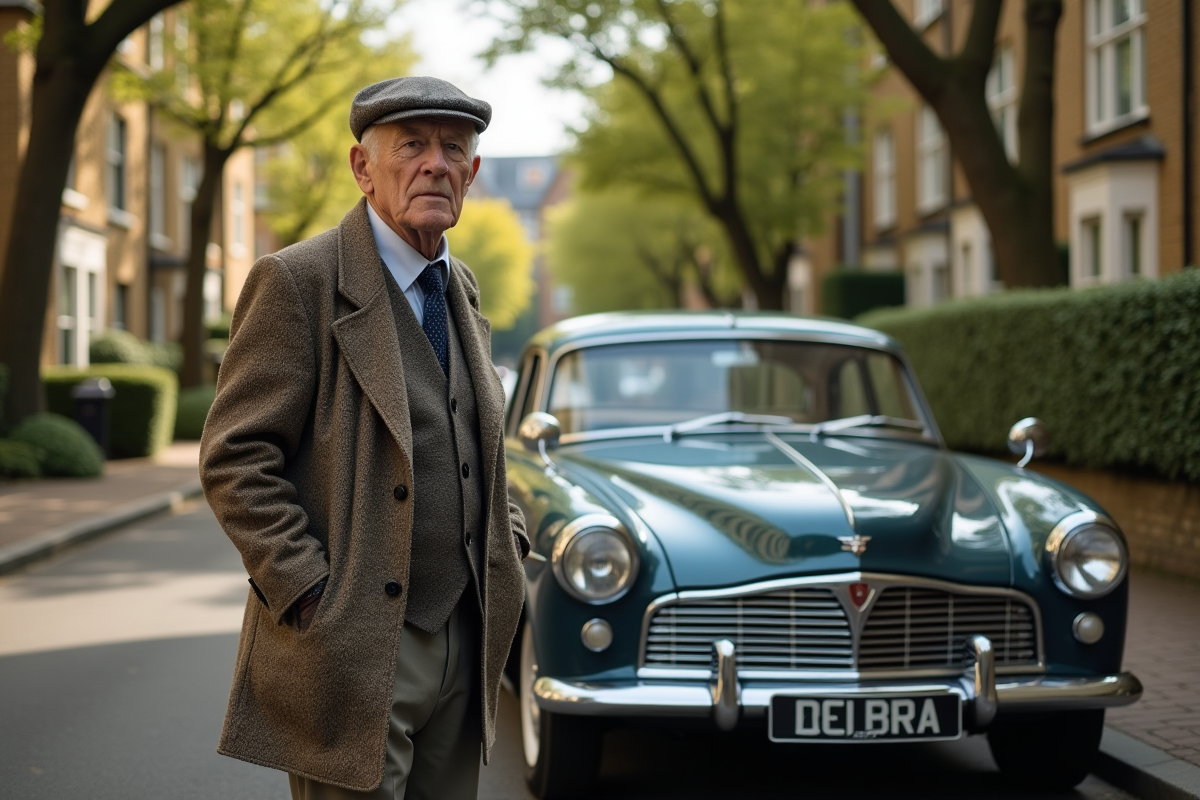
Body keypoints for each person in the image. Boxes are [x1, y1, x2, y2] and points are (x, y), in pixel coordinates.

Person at [200, 76, 529, 799]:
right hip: (354, 642)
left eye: (453, 150)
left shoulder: (462, 288)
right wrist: (311, 593)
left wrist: (511, 542)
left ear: (472, 174)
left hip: (465, 639)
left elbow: (481, 446)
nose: (434, 165)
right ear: (362, 167)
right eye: (411, 146)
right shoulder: (296, 281)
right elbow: (235, 459)